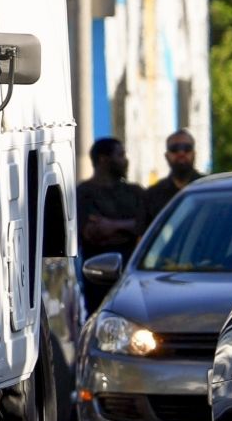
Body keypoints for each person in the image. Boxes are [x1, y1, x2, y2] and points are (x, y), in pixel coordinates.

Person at [77, 137, 145, 315]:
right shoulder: (84, 193)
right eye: (120, 155)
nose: (125, 160)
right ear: (103, 159)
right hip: (96, 279)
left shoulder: (134, 192)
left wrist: (112, 225)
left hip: (132, 277)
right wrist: (127, 227)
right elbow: (92, 233)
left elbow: (147, 226)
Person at [143, 129, 204, 223]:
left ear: (194, 154)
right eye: (174, 149)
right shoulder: (152, 196)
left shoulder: (208, 187)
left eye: (186, 148)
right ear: (166, 156)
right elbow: (143, 236)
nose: (181, 153)